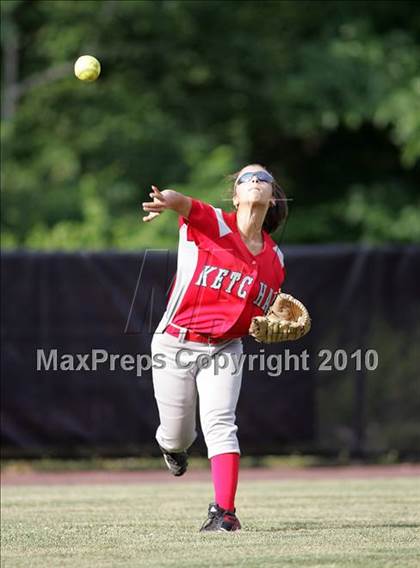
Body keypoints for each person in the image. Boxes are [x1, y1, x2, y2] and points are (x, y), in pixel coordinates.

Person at [141, 163, 288, 532]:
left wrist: (270, 323)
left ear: (272, 199)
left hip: (225, 349)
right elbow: (182, 202)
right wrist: (166, 200)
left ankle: (225, 513)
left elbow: (262, 314)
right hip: (174, 341)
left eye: (263, 179)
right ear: (235, 196)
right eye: (246, 179)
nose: (254, 182)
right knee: (177, 435)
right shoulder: (213, 223)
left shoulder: (275, 261)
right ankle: (172, 449)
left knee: (221, 424)